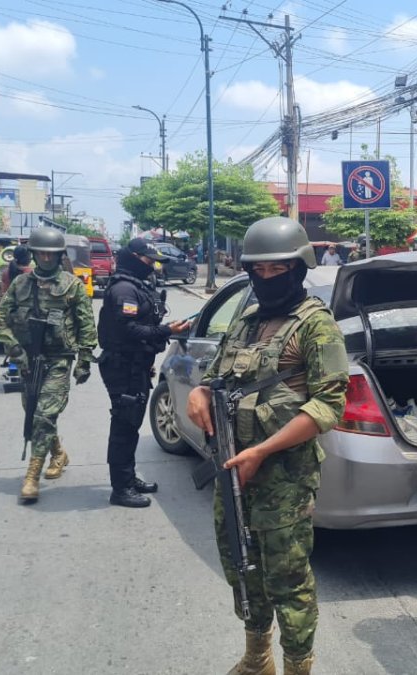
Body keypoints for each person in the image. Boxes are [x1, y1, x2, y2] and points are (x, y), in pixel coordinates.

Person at [186, 216, 348, 675]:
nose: (267, 279)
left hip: (284, 477)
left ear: (298, 269)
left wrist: (262, 451)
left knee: (288, 579)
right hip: (233, 467)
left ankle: (298, 665)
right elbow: (217, 376)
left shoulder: (317, 327)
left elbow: (327, 407)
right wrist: (200, 391)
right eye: (259, 271)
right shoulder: (247, 319)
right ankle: (258, 657)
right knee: (241, 564)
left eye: (278, 270)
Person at [0, 227, 97, 504]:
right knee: (35, 412)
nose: (46, 258)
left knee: (42, 416)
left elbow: (86, 325)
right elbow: (1, 318)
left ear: (59, 255)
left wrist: (84, 361)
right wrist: (14, 347)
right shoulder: (21, 284)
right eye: (41, 253)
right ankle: (59, 453)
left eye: (51, 254)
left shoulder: (71, 284)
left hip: (59, 359)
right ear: (34, 254)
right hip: (28, 359)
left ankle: (31, 476)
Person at [97, 239, 191, 508]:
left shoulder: (136, 286)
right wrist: (167, 331)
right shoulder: (124, 289)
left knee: (132, 424)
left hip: (134, 364)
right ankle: (121, 488)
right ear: (133, 258)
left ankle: (128, 478)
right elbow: (129, 330)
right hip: (122, 366)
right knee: (124, 426)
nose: (152, 266)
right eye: (148, 261)